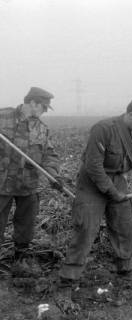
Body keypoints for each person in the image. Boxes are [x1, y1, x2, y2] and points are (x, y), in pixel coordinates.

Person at [58, 95, 132, 283]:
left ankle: (125, 268)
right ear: (131, 114)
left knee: (125, 227)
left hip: (118, 181)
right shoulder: (104, 129)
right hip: (92, 182)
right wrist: (112, 192)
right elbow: (93, 166)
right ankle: (69, 276)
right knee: (86, 228)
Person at [0, 87, 62, 276]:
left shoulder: (42, 129)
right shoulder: (3, 116)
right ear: (33, 103)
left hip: (27, 185)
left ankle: (21, 255)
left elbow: (49, 155)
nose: (44, 111)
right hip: (1, 183)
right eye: (43, 107)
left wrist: (54, 175)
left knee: (26, 222)